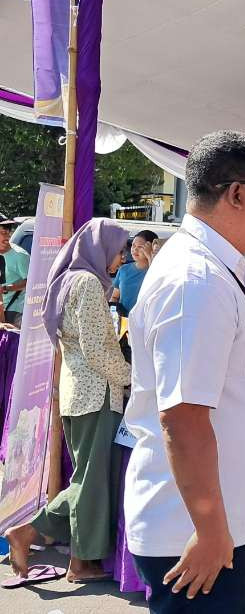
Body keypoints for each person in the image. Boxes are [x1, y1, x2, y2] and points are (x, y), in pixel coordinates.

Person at [122, 131, 245, 613]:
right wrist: (210, 529)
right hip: (201, 537)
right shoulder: (193, 281)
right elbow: (183, 418)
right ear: (237, 194)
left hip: (236, 523)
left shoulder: (230, 266)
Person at [3, 218, 131, 584]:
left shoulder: (68, 280)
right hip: (96, 393)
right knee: (90, 482)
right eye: (118, 249)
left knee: (86, 479)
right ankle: (73, 558)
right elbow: (96, 348)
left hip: (77, 391)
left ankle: (46, 541)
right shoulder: (88, 284)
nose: (120, 258)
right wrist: (131, 377)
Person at [110, 230, 158, 316]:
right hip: (124, 322)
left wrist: (150, 256)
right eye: (133, 245)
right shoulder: (123, 269)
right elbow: (115, 297)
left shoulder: (156, 271)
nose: (135, 249)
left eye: (140, 247)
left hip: (144, 321)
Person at [0, 220, 30, 327]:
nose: (7, 236)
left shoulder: (20, 255)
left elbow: (30, 282)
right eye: (3, 233)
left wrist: (7, 288)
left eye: (8, 232)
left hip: (14, 312)